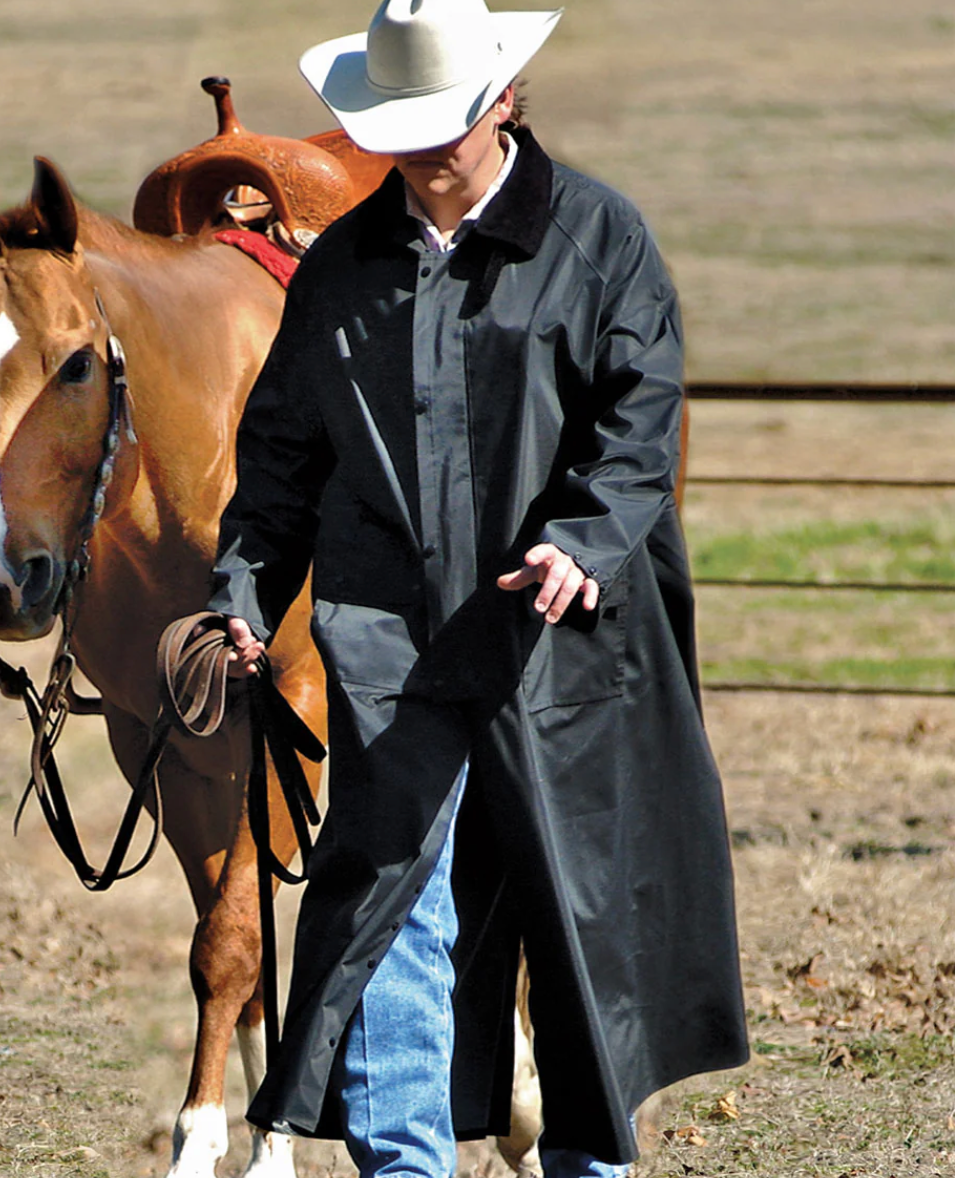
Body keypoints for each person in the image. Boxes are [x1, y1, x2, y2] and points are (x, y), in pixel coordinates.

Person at [206, 2, 750, 1175]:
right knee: (393, 902)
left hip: (561, 639)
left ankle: (587, 1161)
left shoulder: (601, 238)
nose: (428, 147)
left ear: (504, 97)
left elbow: (640, 418)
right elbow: (282, 461)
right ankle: (406, 1165)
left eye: (446, 121)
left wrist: (585, 540)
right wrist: (242, 597)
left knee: (573, 910)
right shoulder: (340, 272)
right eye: (403, 128)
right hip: (388, 636)